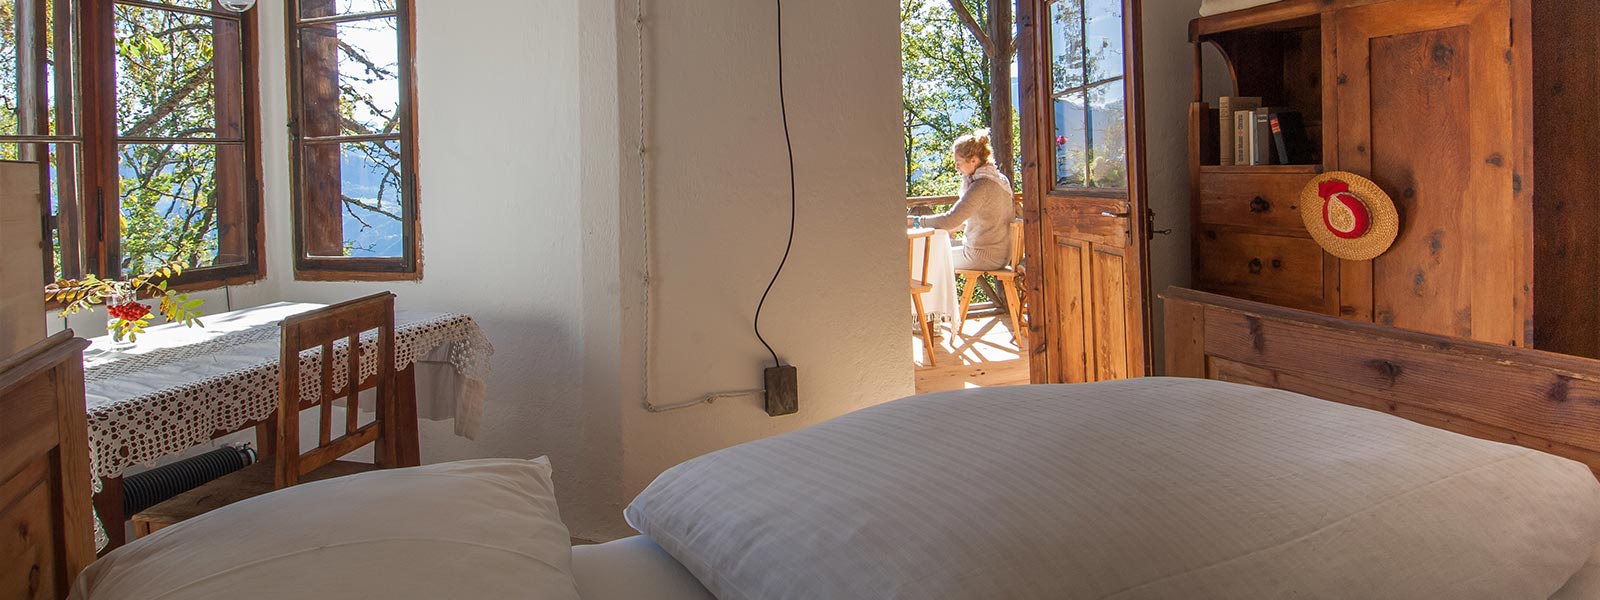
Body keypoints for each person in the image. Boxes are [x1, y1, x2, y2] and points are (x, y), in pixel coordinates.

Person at [908, 129, 1014, 271]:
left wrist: (915, 221)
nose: (956, 168)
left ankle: (932, 294)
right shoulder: (999, 179)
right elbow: (987, 218)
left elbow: (950, 219)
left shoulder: (982, 186)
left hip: (983, 256)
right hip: (1000, 254)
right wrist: (958, 227)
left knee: (924, 256)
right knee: (936, 248)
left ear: (974, 160)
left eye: (958, 163)